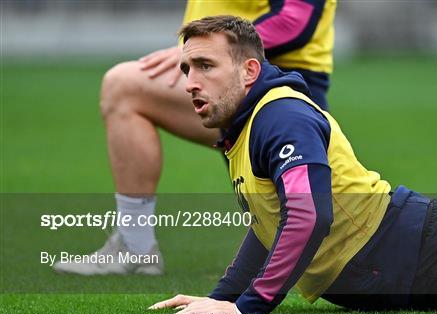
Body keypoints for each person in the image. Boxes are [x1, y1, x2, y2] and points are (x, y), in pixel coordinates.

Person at [148, 15, 437, 314]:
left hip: (431, 254)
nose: (190, 83)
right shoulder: (248, 126)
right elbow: (267, 225)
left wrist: (247, 305)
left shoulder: (280, 117)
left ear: (249, 70)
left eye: (205, 66)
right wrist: (222, 297)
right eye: (186, 69)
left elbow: (308, 214)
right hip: (415, 250)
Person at [53, 0, 337, 275]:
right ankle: (134, 247)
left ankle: (134, 247)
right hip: (225, 68)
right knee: (124, 87)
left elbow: (295, 20)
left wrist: (206, 52)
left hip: (274, 79)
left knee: (123, 86)